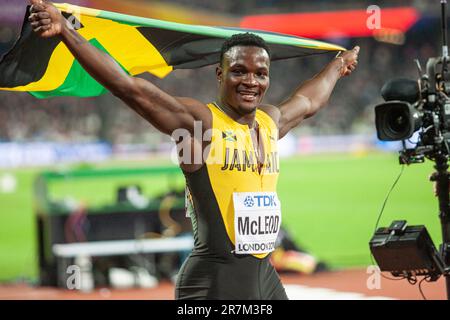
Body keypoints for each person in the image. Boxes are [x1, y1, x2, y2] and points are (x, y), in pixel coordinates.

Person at [28, 0, 359, 299]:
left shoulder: (270, 123)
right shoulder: (200, 123)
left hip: (265, 279)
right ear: (220, 73)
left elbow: (308, 101)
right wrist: (66, 33)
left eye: (260, 73)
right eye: (239, 71)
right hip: (212, 283)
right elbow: (129, 88)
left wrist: (338, 66)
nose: (251, 81)